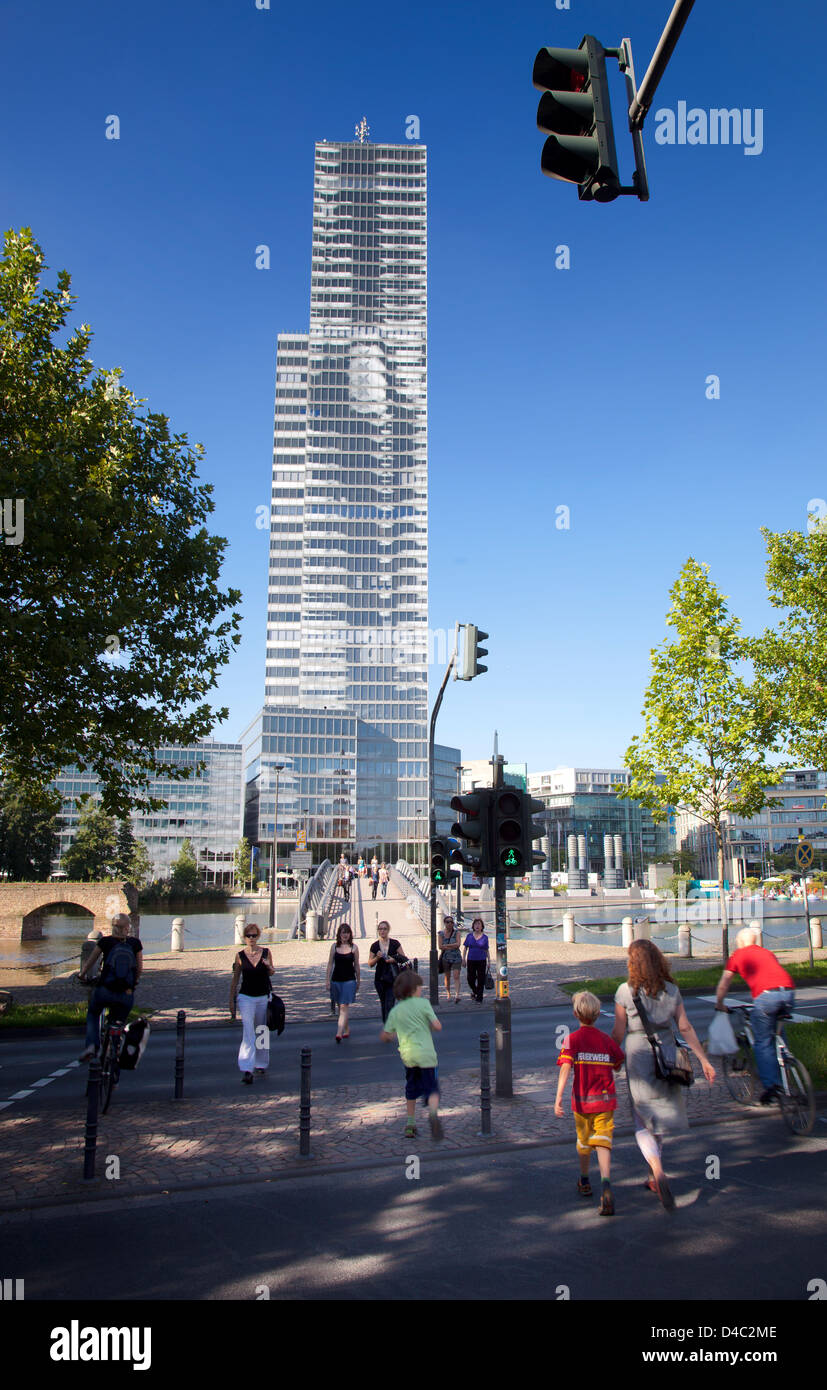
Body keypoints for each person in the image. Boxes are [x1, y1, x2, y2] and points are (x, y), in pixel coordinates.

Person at [613, 940, 716, 1210]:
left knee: (641, 1117)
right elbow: (686, 1027)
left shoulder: (625, 991)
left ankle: (657, 1170)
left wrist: (612, 1058)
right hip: (666, 1053)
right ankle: (653, 1174)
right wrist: (703, 1059)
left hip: (638, 1053)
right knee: (657, 1114)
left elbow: (619, 1030)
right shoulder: (672, 990)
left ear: (632, 963)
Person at [555, 991, 625, 1216]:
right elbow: (618, 1063)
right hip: (605, 1100)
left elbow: (565, 1069)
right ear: (597, 1014)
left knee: (584, 1142)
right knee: (604, 1141)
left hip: (582, 1100)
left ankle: (584, 1179)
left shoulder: (572, 1040)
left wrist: (558, 1098)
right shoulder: (605, 1040)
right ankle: (606, 1183)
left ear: (575, 1013)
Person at [714, 925, 795, 1103]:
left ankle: (772, 1088)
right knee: (776, 1033)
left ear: (741, 942)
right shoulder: (767, 952)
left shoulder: (737, 955)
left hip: (766, 998)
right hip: (788, 993)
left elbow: (724, 983)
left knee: (762, 1043)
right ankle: (787, 1062)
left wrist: (719, 1003)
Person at [380, 969, 443, 1140]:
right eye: (420, 987)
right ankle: (433, 1115)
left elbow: (385, 1035)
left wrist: (392, 1035)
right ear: (414, 989)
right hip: (427, 1056)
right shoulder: (423, 1004)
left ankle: (410, 1123)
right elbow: (438, 1026)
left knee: (411, 1088)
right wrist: (427, 1026)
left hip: (408, 1057)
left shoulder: (396, 1011)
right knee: (433, 1089)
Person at [78, 913, 142, 1061]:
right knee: (119, 1022)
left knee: (93, 1013)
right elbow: (139, 969)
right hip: (126, 993)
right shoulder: (135, 944)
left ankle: (92, 1046)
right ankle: (116, 1049)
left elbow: (90, 963)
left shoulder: (105, 942)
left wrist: (82, 975)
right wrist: (134, 982)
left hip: (105, 990)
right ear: (128, 927)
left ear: (113, 927)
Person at [229, 920, 276, 1084]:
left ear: (258, 936)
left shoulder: (266, 952)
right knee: (248, 1032)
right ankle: (247, 1068)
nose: (251, 938)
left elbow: (272, 972)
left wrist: (269, 966)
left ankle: (261, 1063)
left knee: (262, 1030)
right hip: (246, 997)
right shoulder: (240, 955)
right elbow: (235, 979)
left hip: (263, 996)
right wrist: (231, 1000)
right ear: (244, 937)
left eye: (254, 935)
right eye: (248, 935)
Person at [326, 922, 360, 1042]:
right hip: (336, 979)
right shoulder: (334, 947)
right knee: (340, 1006)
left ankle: (339, 1033)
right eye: (343, 932)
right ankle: (346, 1029)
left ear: (350, 934)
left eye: (347, 932)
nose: (345, 935)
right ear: (339, 934)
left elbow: (356, 965)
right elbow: (330, 964)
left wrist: (359, 981)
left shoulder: (354, 948)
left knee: (344, 1006)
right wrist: (327, 980)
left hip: (349, 980)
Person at [368, 920, 409, 1022]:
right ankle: (386, 1025)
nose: (382, 931)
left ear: (388, 930)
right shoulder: (375, 946)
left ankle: (389, 1026)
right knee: (383, 1003)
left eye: (385, 929)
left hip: (393, 978)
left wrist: (393, 960)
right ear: (378, 931)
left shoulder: (395, 943)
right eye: (380, 929)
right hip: (380, 978)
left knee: (390, 1002)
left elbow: (404, 958)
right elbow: (370, 964)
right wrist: (377, 958)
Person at [462, 917, 491, 1003]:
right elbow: (465, 948)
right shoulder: (469, 936)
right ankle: (475, 991)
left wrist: (489, 961)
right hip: (471, 960)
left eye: (479, 924)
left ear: (482, 926)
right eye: (476, 924)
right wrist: (463, 959)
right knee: (470, 978)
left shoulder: (485, 937)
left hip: (482, 960)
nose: (477, 926)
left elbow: (486, 950)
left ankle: (479, 998)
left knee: (481, 979)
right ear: (473, 926)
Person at [438, 915, 463, 1003]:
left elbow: (458, 944)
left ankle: (457, 995)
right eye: (447, 922)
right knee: (447, 977)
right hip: (446, 958)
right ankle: (448, 994)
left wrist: (446, 946)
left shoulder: (457, 933)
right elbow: (440, 946)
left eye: (451, 922)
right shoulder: (441, 934)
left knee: (456, 976)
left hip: (456, 957)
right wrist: (451, 946)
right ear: (444, 923)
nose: (450, 924)